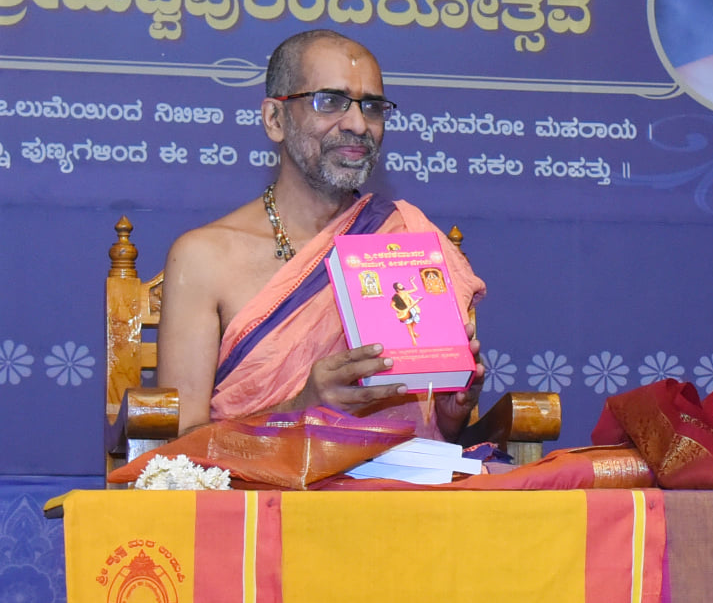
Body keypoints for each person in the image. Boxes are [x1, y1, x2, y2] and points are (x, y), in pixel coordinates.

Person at [156, 29, 484, 439]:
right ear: (275, 119)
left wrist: (451, 413)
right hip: (259, 481)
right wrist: (300, 409)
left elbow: (433, 430)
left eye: (372, 107)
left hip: (403, 477)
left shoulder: (404, 240)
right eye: (329, 101)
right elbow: (180, 442)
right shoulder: (204, 257)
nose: (358, 124)